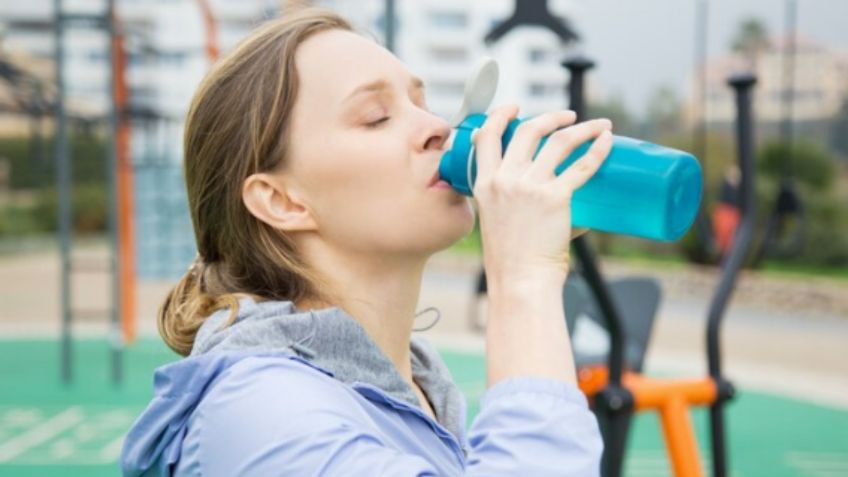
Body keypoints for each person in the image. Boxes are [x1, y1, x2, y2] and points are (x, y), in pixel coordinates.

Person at [120, 7, 614, 476]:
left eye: (421, 104)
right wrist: (524, 279)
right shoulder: (258, 410)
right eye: (377, 116)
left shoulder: (418, 388)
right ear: (281, 201)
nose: (438, 128)